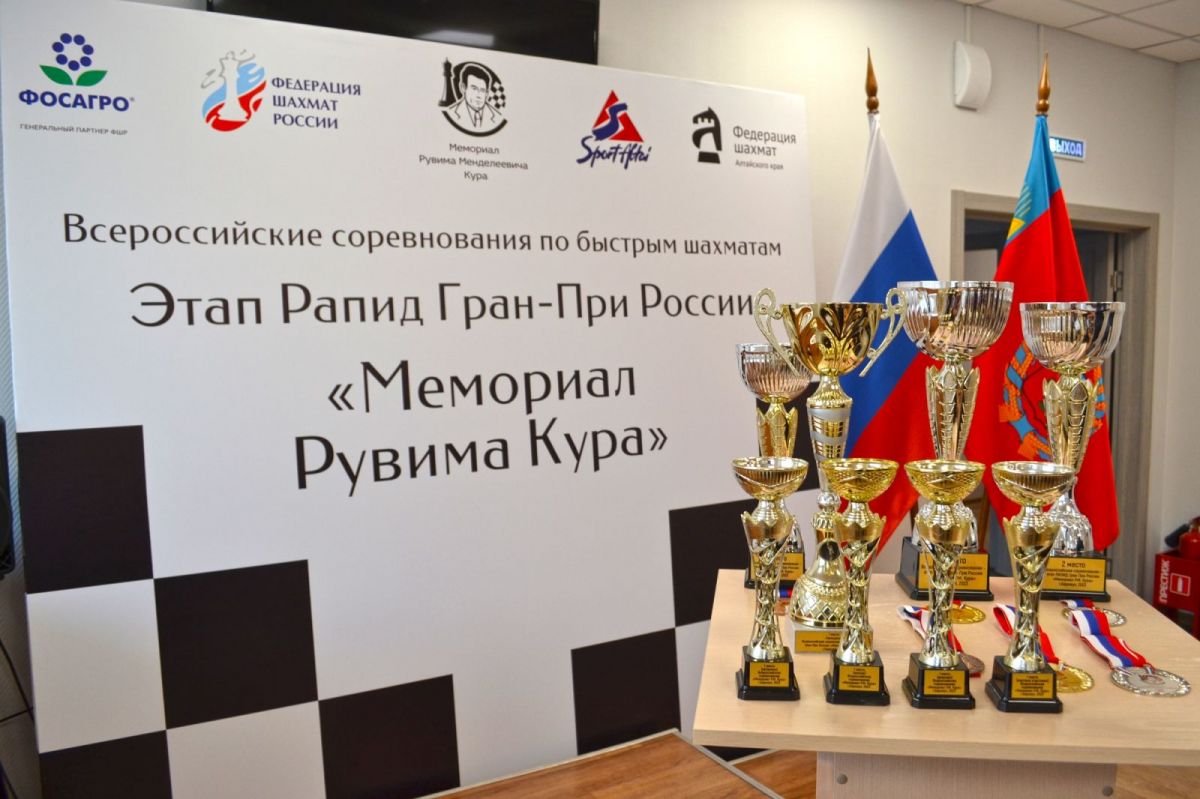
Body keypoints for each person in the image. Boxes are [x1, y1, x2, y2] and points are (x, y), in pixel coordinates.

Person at [444, 64, 503, 131]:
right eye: (474, 89)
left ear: (487, 93)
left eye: (482, 90)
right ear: (463, 88)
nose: (478, 95)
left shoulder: (497, 116)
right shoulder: (451, 113)